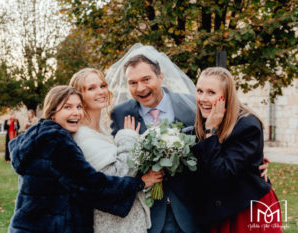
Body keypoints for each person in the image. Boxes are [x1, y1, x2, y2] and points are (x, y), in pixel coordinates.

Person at [107, 44, 270, 233]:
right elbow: (114, 161)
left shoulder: (193, 106)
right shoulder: (120, 114)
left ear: (160, 77)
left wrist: (255, 161)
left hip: (200, 209)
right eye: (132, 82)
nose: (140, 88)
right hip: (147, 212)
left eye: (146, 79)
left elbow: (231, 144)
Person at [7, 85, 163, 233]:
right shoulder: (55, 140)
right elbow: (90, 185)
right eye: (67, 107)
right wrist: (140, 183)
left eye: (79, 107)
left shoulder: (38, 135)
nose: (76, 113)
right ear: (52, 112)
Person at [190, 67, 282, 233]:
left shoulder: (247, 125)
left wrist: (212, 132)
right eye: (199, 91)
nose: (203, 98)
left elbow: (220, 174)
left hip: (247, 208)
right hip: (217, 211)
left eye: (211, 92)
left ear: (226, 96)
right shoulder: (200, 121)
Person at [70, 68, 151, 233]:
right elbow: (117, 176)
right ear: (79, 96)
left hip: (126, 223)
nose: (100, 92)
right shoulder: (84, 136)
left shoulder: (102, 130)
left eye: (102, 85)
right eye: (91, 88)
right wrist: (128, 137)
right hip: (113, 226)